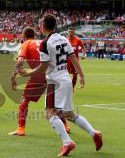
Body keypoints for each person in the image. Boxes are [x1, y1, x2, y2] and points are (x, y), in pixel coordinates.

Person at [18, 14, 103, 156]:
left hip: (54, 81)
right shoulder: (63, 38)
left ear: (43, 26)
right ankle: (93, 133)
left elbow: (43, 66)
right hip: (66, 78)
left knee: (49, 113)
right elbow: (73, 57)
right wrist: (81, 75)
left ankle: (67, 142)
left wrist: (27, 73)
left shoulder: (46, 43)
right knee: (70, 114)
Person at [9, 27, 70, 136]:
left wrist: (13, 78)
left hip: (39, 74)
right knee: (54, 105)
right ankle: (65, 126)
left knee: (24, 101)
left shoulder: (26, 43)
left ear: (23, 36)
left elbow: (20, 62)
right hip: (54, 74)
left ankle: (21, 129)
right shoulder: (42, 41)